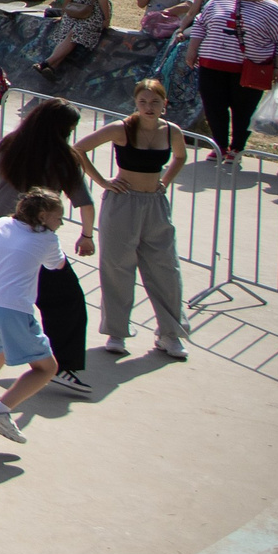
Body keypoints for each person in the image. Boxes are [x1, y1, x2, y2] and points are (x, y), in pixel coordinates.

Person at [0, 100, 103, 395]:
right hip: (33, 237)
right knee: (65, 299)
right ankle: (62, 363)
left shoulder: (9, 144)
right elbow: (85, 202)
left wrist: (3, 206)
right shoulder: (61, 156)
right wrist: (87, 235)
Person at [77, 78, 191, 361]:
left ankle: (170, 333)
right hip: (122, 203)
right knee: (117, 266)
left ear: (165, 104)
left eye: (154, 102)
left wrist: (165, 181)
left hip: (155, 205)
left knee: (166, 268)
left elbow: (180, 157)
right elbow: (77, 149)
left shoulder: (172, 131)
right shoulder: (121, 128)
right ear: (135, 104)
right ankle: (117, 332)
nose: (149, 107)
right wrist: (102, 181)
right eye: (143, 102)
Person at [0, 188, 70, 442]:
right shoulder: (48, 239)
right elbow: (58, 264)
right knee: (46, 368)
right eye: (58, 217)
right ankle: (0, 410)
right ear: (43, 215)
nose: (61, 222)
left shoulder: (0, 223)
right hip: (13, 309)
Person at [187, 0, 278, 164]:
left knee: (243, 110)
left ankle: (237, 148)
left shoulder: (272, 10)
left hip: (248, 70)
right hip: (212, 65)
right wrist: (192, 49)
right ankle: (219, 145)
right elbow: (201, 24)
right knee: (214, 107)